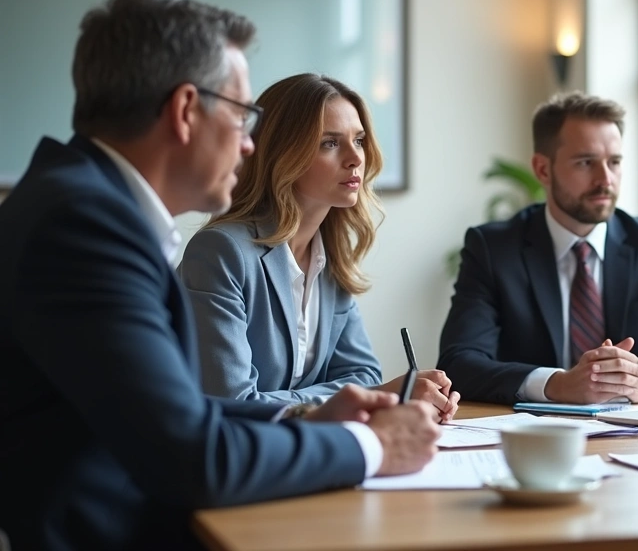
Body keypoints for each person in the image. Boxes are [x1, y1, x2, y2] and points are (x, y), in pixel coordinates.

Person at [0, 0, 441, 551]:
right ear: (186, 111)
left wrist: (311, 421)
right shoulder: (84, 228)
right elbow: (192, 456)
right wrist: (372, 447)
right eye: (241, 115)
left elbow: (183, 417)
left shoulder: (85, 205)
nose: (250, 145)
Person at [178, 73, 459, 421]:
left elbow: (363, 376)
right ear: (283, 154)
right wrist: (370, 397)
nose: (355, 158)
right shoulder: (222, 253)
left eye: (358, 140)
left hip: (307, 457)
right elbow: (233, 402)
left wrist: (364, 394)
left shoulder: (331, 256)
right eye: (329, 143)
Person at [438, 92, 638, 405]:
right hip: (532, 436)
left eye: (614, 162)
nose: (605, 179)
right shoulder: (494, 249)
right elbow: (459, 362)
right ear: (543, 170)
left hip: (633, 438)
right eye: (586, 162)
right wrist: (555, 384)